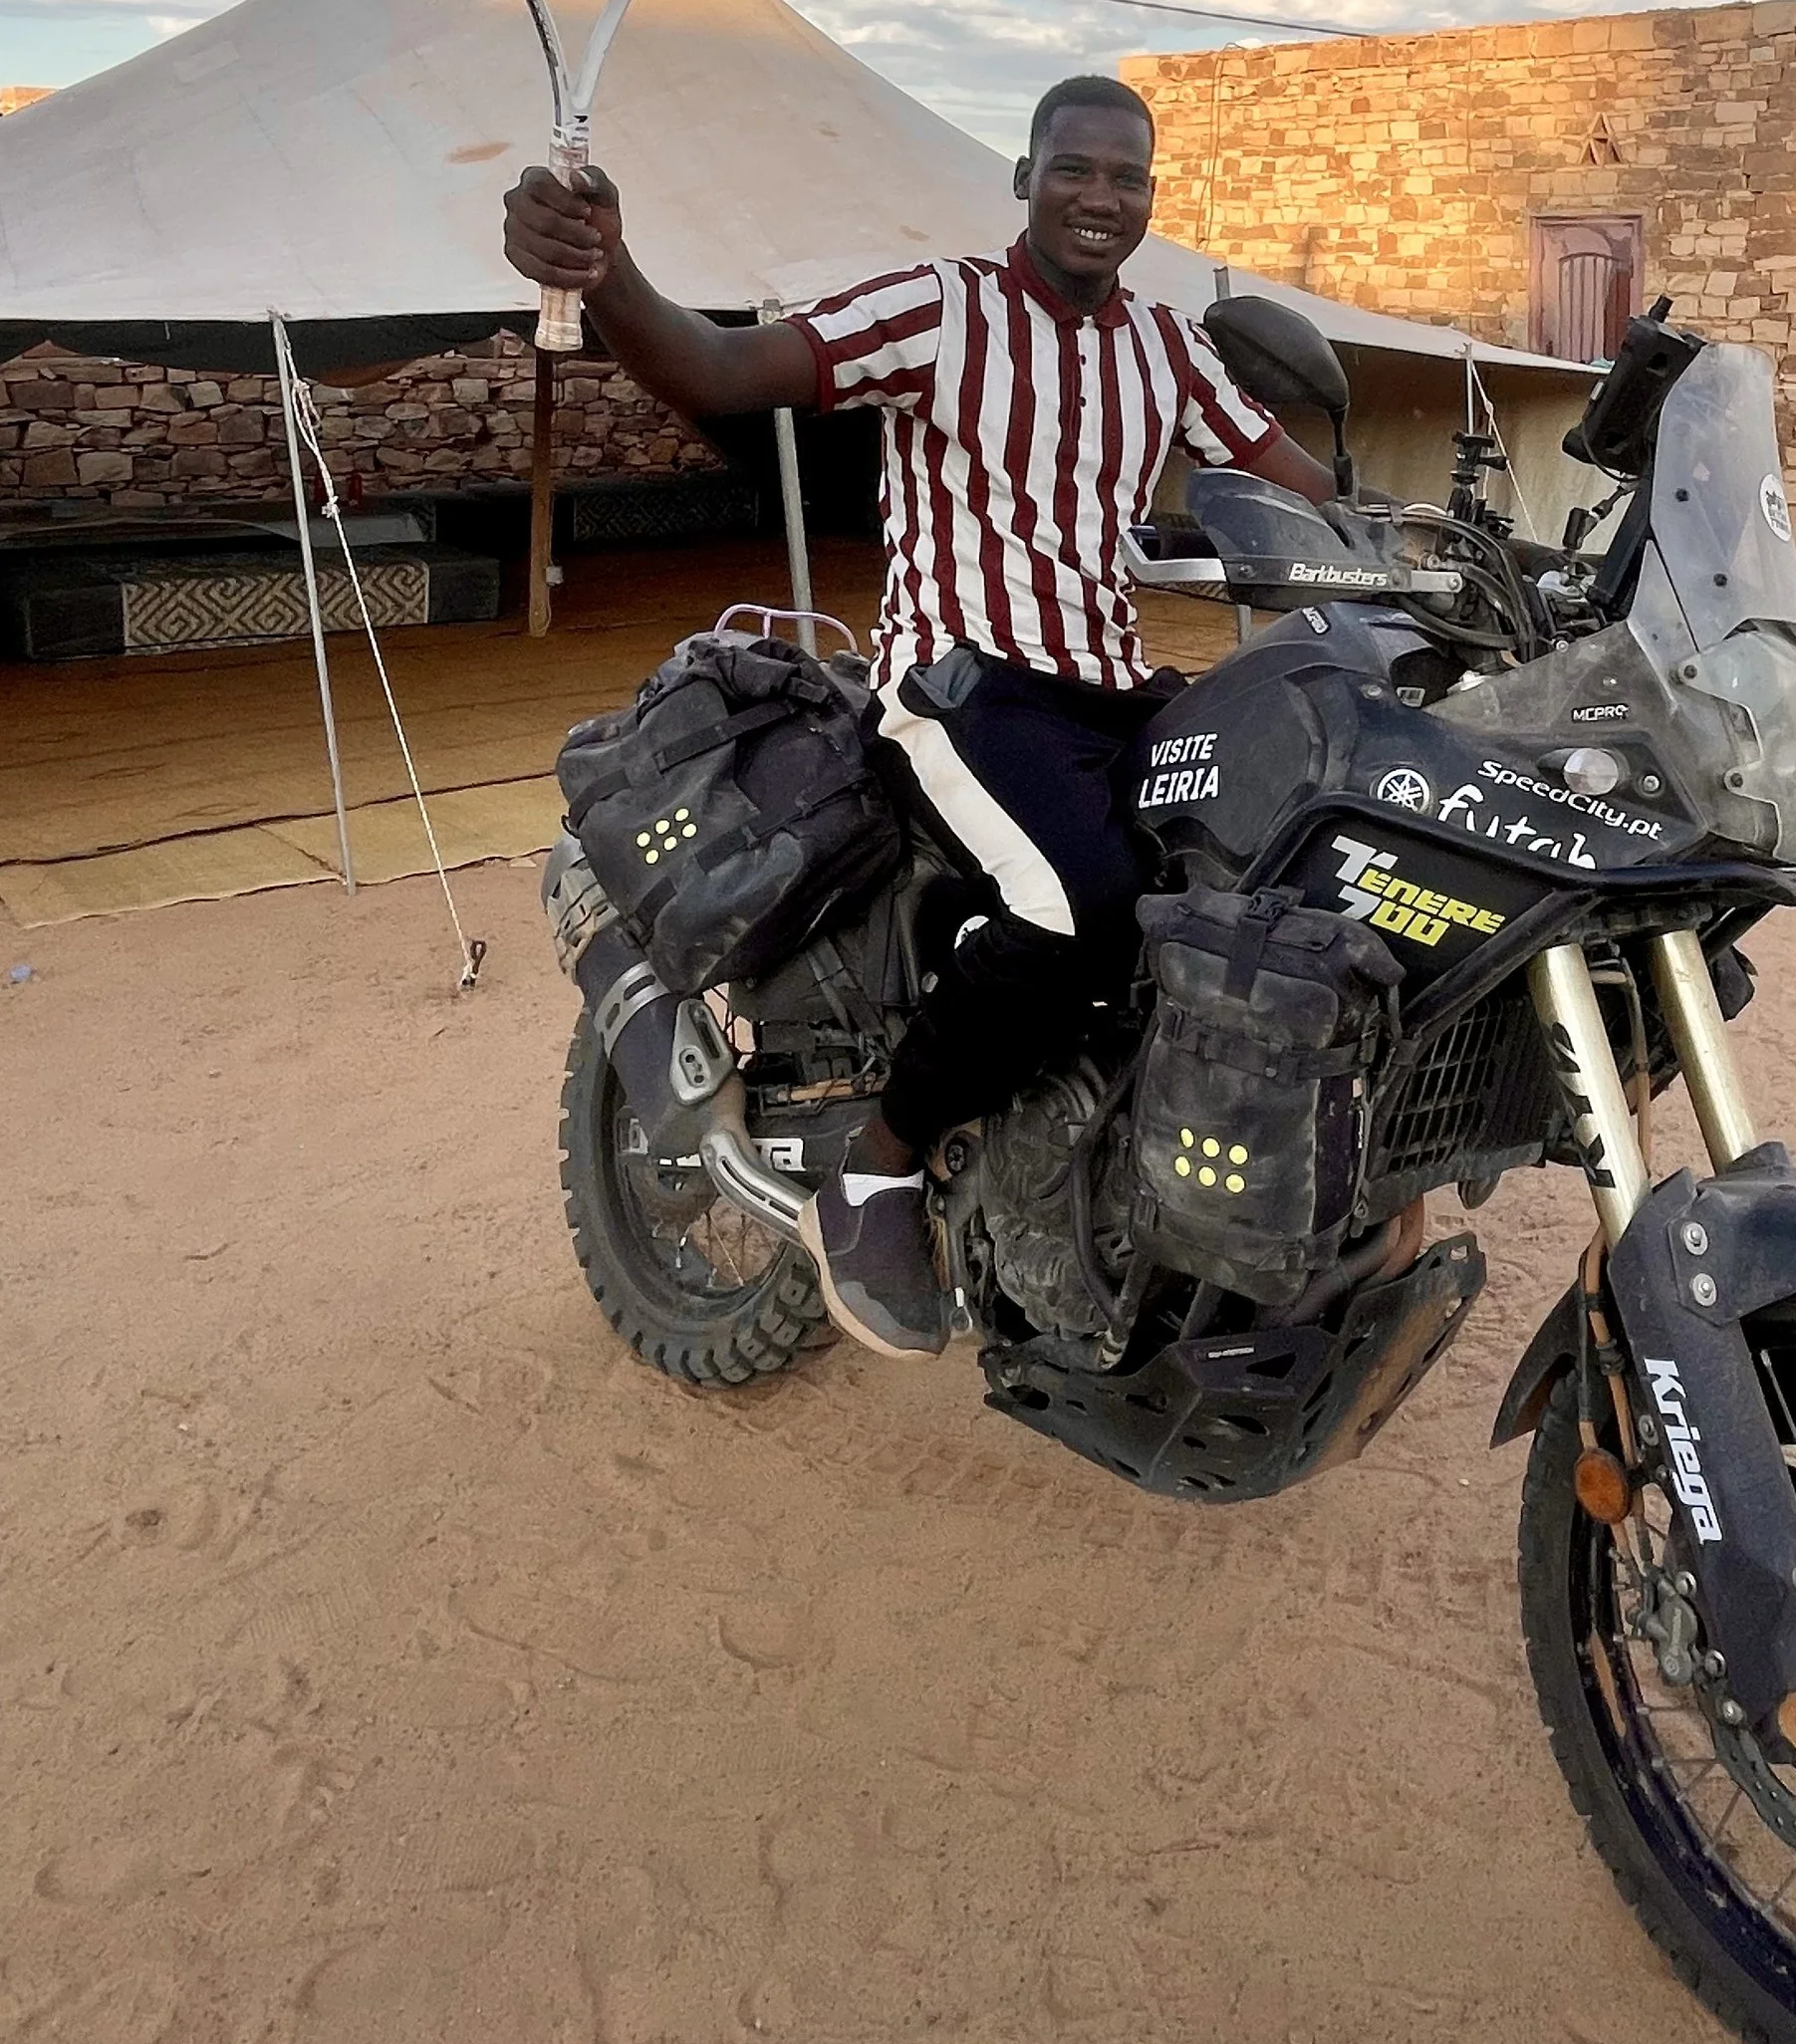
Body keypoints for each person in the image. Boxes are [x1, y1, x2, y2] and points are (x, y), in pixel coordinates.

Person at [502, 73, 1336, 1360]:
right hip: (962, 686)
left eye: (1126, 177)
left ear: (1150, 197)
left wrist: (1449, 546)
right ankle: (877, 1170)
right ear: (1025, 178)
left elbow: (1300, 487)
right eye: (1074, 168)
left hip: (1112, 689)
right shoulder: (941, 311)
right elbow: (716, 370)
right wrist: (609, 273)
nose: (1101, 196)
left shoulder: (1168, 349)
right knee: (1082, 905)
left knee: (1264, 851)